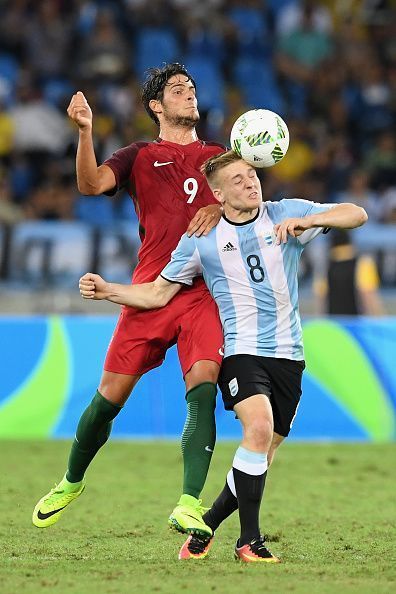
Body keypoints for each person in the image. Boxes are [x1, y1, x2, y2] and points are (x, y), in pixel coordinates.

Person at [78, 151, 368, 562]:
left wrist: (311, 220)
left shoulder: (285, 213)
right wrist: (110, 290)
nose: (250, 183)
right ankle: (249, 541)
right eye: (238, 180)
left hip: (290, 354)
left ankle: (206, 527)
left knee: (261, 453)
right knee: (260, 429)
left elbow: (356, 214)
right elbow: (158, 293)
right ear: (217, 193)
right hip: (240, 350)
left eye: (252, 174)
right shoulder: (202, 239)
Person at [32, 63, 227, 537]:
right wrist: (85, 131)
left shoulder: (220, 157)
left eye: (192, 88)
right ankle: (71, 480)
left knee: (203, 391)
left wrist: (219, 205)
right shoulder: (140, 154)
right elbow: (90, 185)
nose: (189, 95)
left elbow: (251, 201)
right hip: (149, 292)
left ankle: (188, 503)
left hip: (203, 293)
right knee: (107, 402)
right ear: (156, 106)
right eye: (178, 90)